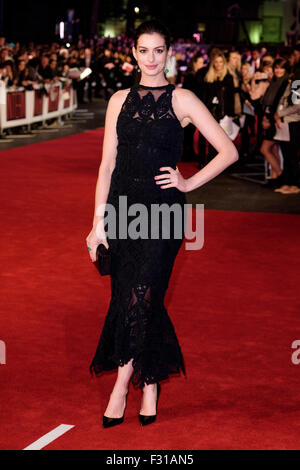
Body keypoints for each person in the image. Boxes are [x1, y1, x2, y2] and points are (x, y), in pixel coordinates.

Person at [86, 19, 238, 429]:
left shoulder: (184, 98)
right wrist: (98, 223)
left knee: (142, 292)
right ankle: (150, 382)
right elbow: (107, 164)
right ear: (133, 53)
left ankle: (121, 387)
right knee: (130, 296)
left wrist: (188, 181)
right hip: (121, 209)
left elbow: (228, 151)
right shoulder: (118, 99)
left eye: (159, 51)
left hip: (162, 213)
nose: (151, 59)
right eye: (144, 50)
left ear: (168, 53)